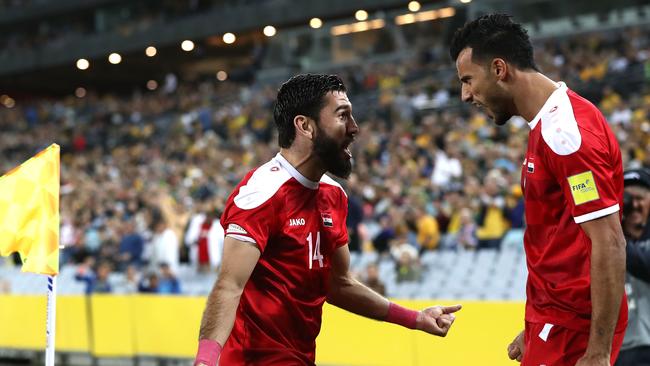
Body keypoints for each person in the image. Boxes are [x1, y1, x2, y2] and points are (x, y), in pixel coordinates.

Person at [193, 74, 461, 366]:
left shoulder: (334, 195)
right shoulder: (261, 195)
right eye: (342, 116)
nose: (354, 128)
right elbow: (229, 286)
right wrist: (205, 362)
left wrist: (416, 319)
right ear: (305, 125)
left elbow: (339, 283)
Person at [450, 14, 627, 366]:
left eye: (468, 80)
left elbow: (609, 242)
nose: (465, 95)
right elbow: (560, 241)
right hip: (554, 322)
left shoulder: (565, 135)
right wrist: (533, 325)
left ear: (499, 69)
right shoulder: (548, 123)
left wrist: (597, 352)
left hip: (573, 331)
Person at [616, 168, 650, 366]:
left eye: (641, 198)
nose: (634, 205)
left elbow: (644, 263)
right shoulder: (603, 245)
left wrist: (609, 232)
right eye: (628, 199)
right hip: (616, 353)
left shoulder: (609, 244)